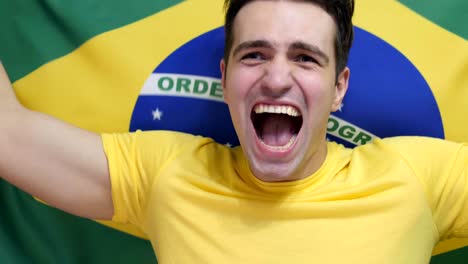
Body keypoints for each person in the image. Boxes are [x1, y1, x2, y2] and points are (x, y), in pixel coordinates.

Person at [0, 0, 467, 263]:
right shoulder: (168, 174)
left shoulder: (417, 178)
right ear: (225, 80)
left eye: (305, 58)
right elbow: (9, 136)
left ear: (339, 87)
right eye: (255, 55)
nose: (277, 78)